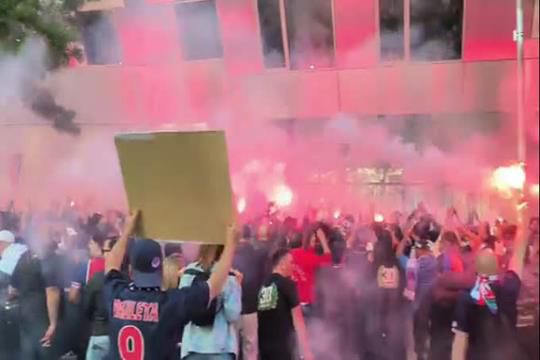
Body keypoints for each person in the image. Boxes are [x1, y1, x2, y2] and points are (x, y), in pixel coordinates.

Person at [104, 211, 238, 360]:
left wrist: (126, 231)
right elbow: (214, 286)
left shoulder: (116, 294)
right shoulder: (169, 304)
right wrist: (230, 245)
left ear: (130, 270)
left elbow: (111, 262)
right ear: (161, 270)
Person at [451, 223, 528, 360]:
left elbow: (460, 338)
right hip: (502, 348)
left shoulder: (468, 296)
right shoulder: (508, 286)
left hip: (481, 350)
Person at [180, 244, 242, 360]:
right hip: (221, 347)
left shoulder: (189, 273)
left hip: (192, 346)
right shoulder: (229, 276)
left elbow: (182, 311)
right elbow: (232, 315)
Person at [258, 248, 313, 360]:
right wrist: (307, 352)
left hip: (264, 350)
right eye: (291, 263)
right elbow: (299, 322)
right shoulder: (288, 285)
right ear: (282, 264)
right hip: (284, 350)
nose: (293, 266)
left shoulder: (263, 286)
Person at [233, 225, 266, 360]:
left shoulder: (229, 255)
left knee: (232, 348)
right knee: (250, 349)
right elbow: (262, 281)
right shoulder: (257, 254)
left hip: (232, 308)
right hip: (252, 307)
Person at [290, 223, 332, 315]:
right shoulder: (311, 257)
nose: (315, 240)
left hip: (294, 303)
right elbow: (328, 260)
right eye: (313, 237)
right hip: (307, 303)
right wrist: (323, 240)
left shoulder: (292, 253)